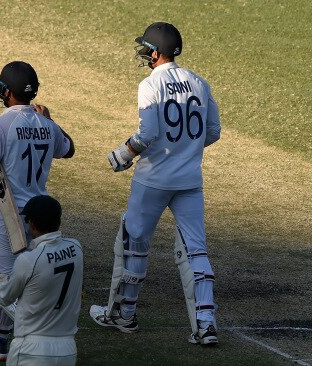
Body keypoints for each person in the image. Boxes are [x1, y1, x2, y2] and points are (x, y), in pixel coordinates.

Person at [89, 22, 221, 345]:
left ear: (157, 53)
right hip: (190, 180)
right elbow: (213, 131)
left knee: (133, 242)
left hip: (153, 180)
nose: (144, 54)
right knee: (196, 249)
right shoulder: (199, 83)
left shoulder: (150, 84)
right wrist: (184, 151)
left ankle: (124, 314)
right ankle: (205, 324)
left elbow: (146, 134)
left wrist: (123, 154)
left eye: (146, 49)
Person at [0, 61, 75, 360]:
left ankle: (34, 334)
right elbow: (68, 148)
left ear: (7, 91)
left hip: (5, 215)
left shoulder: (0, 125)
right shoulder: (46, 125)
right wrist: (52, 120)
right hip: (37, 216)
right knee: (15, 280)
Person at [0, 195, 83, 365]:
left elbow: (5, 296)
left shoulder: (29, 260)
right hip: (68, 350)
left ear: (32, 224)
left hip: (32, 350)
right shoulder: (76, 248)